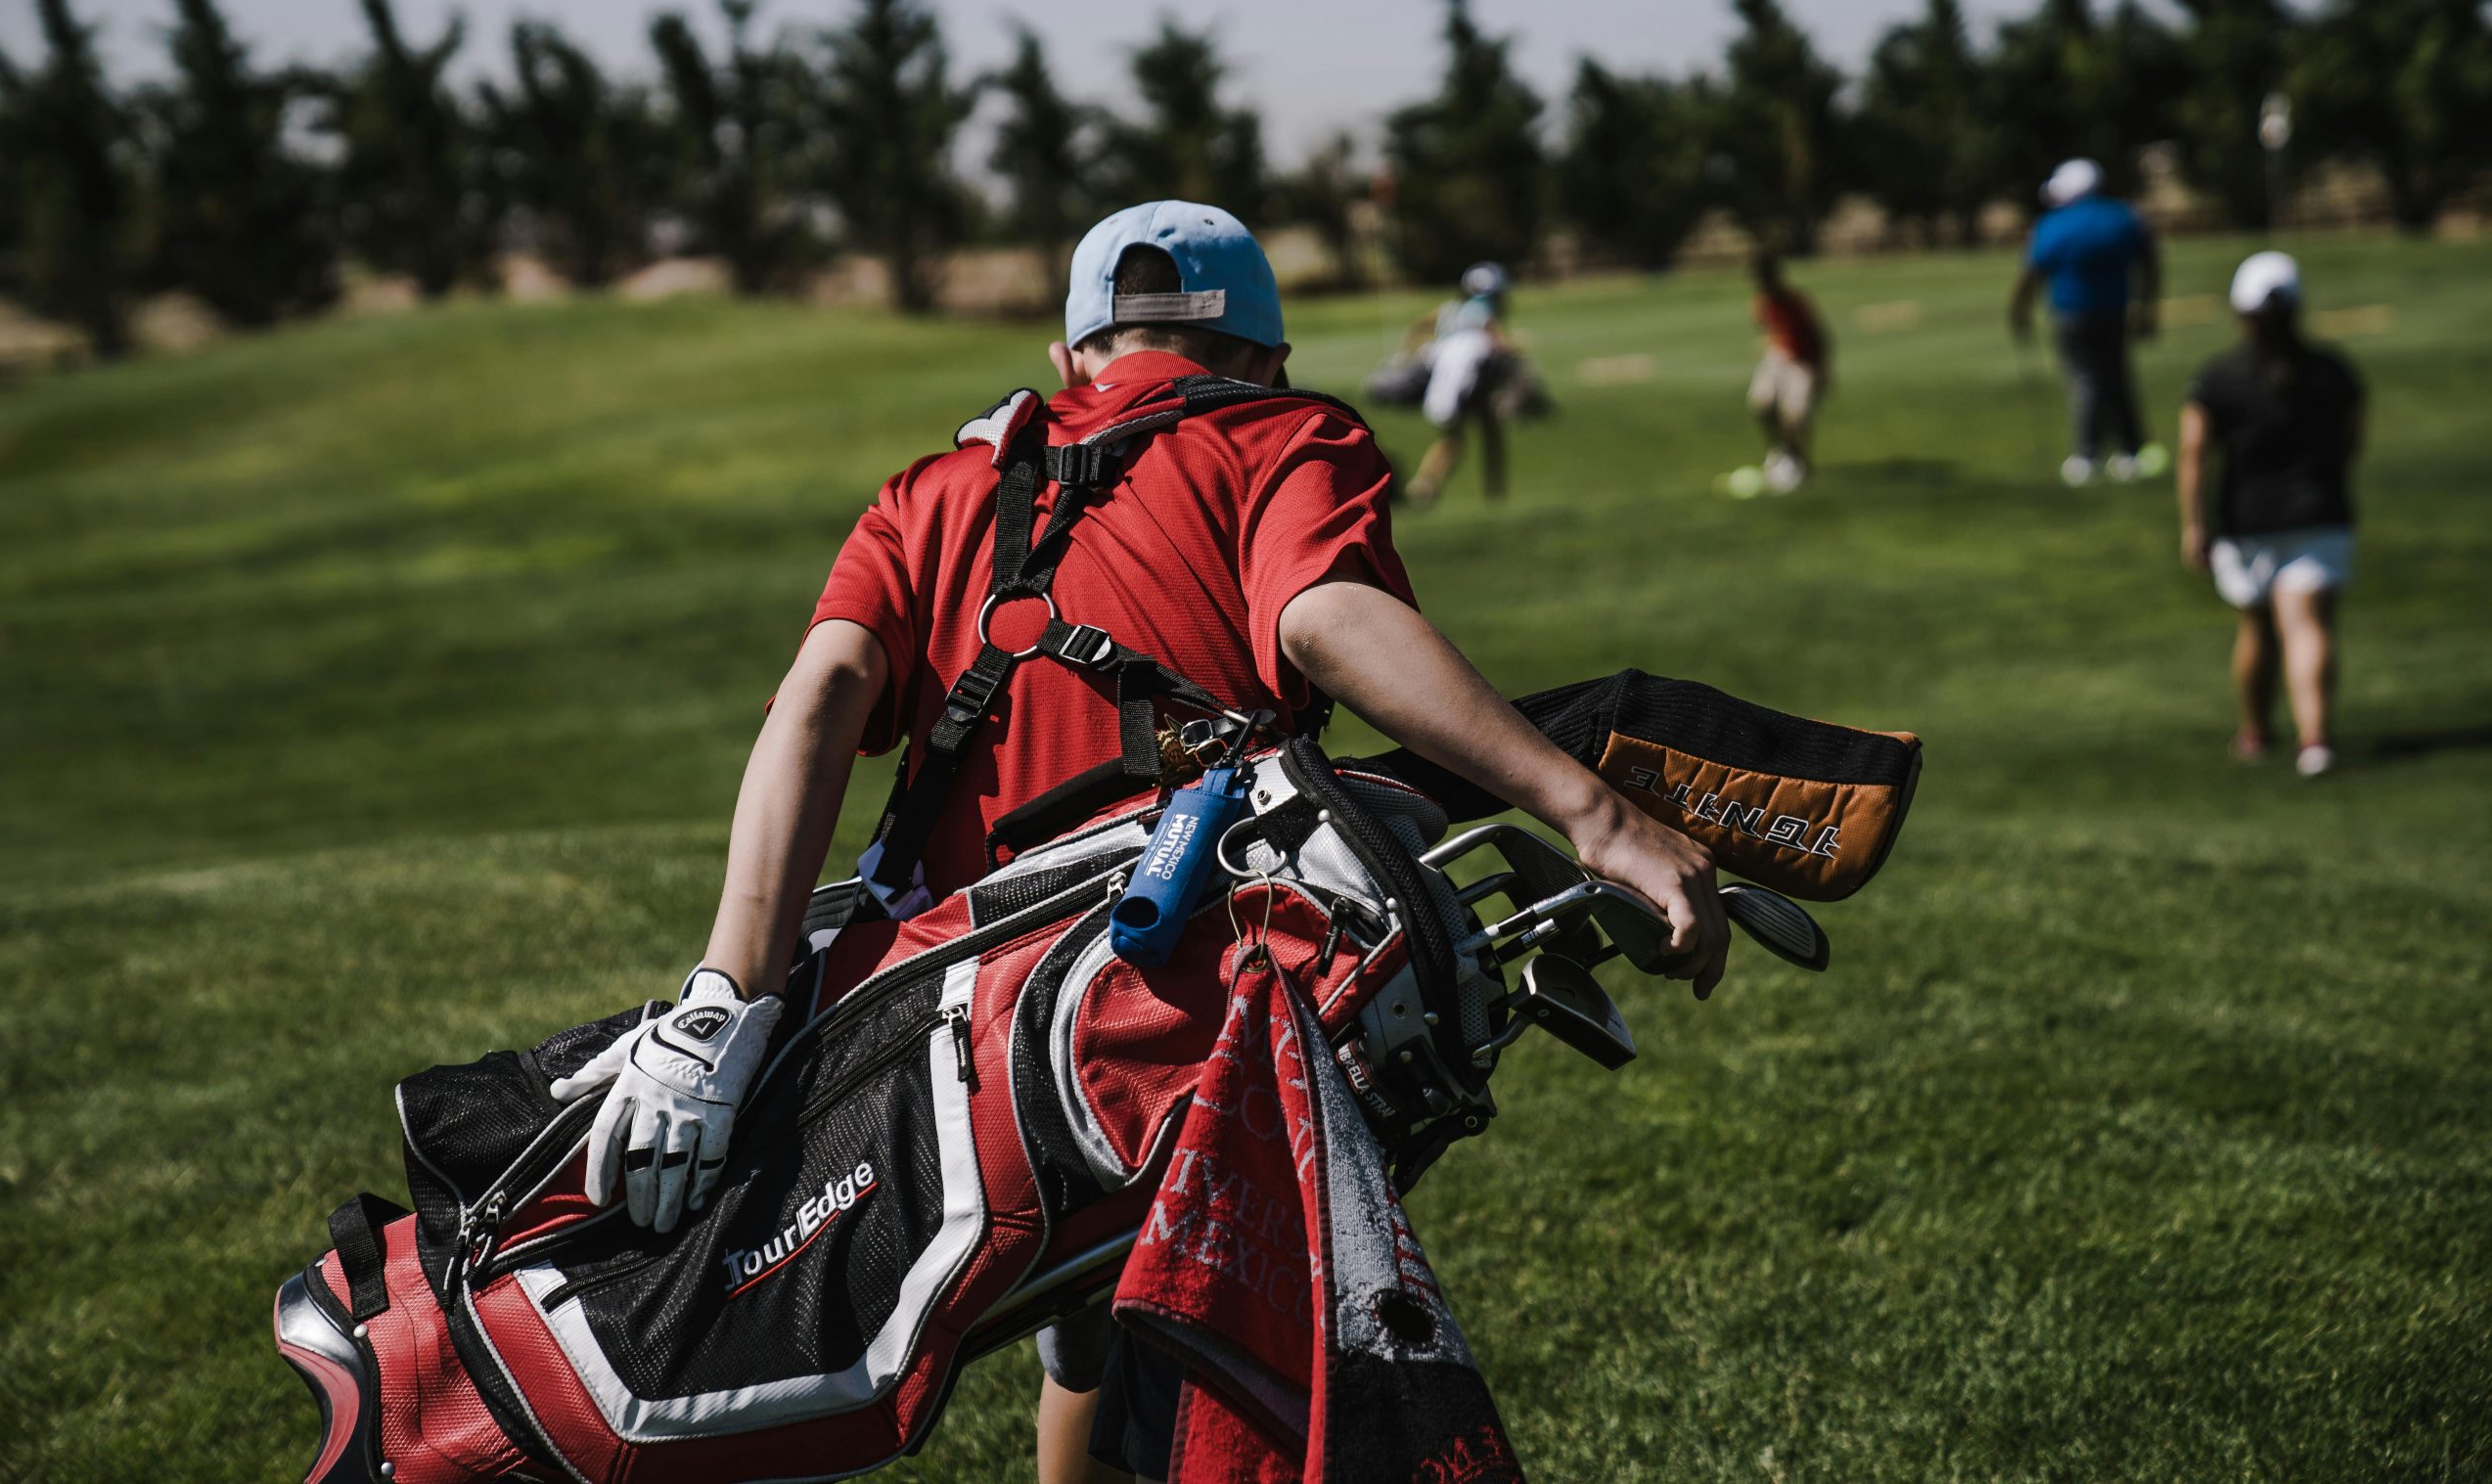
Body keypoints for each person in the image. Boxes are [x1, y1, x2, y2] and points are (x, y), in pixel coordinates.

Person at [542, 202, 1733, 1483]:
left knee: (1085, 1338)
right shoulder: (1284, 435)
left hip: (953, 1042)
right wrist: (1595, 815)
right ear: (1264, 357)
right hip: (1185, 1012)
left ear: (1072, 360)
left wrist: (726, 998)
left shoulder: (934, 490)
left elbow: (824, 698)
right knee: (1219, 1358)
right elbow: (1327, 618)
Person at [2178, 250, 2364, 779]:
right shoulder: (2332, 370)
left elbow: (2194, 453)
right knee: (2308, 627)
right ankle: (2315, 741)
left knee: (2257, 629)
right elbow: (2352, 441)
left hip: (2247, 521)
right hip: (2322, 514)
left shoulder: (2218, 377)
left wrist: (2194, 524)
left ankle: (2256, 731)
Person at [2010, 157, 2165, 485]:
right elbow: (2150, 262)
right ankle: (2130, 451)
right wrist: (2148, 309)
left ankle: (2088, 456)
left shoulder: (2054, 223)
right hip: (2114, 313)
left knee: (2086, 382)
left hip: (2071, 315)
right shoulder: (2124, 216)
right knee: (2116, 377)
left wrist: (2018, 313)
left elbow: (2031, 273)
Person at [1406, 261, 1518, 505]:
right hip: (1465, 390)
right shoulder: (1485, 312)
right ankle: (1427, 488)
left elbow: (1418, 327)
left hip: (1444, 388)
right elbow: (1503, 345)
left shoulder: (1451, 309)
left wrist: (1406, 354)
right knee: (1464, 438)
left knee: (1457, 438)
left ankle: (1426, 487)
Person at [1744, 251, 1832, 494]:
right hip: (1777, 359)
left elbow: (1819, 335)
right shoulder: (1761, 303)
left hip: (1802, 363)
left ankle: (1798, 462)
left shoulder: (1795, 301)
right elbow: (1767, 329)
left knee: (1794, 416)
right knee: (1761, 405)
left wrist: (1822, 369)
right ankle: (1779, 452)